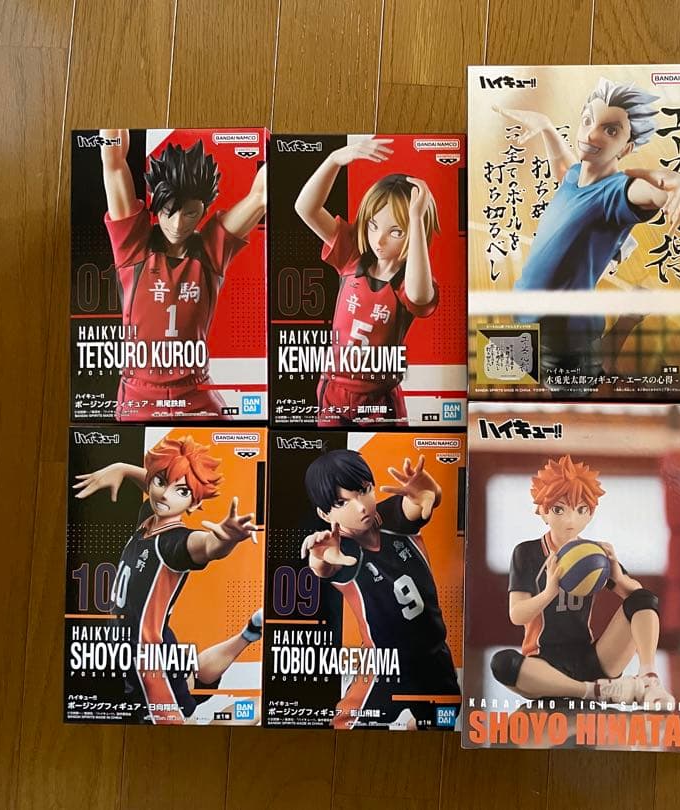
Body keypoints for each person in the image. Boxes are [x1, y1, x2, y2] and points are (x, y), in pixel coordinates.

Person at [494, 78, 680, 385]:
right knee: (521, 379)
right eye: (587, 121)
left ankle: (627, 321)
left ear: (627, 147)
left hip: (564, 332)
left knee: (577, 391)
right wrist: (546, 127)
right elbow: (564, 168)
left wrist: (672, 183)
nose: (591, 133)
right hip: (526, 310)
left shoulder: (618, 191)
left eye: (610, 130)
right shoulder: (575, 175)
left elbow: (652, 194)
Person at [73, 435, 263, 724]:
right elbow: (158, 489)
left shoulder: (174, 543)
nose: (165, 496)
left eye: (182, 491)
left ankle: (264, 706)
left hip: (151, 659)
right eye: (161, 482)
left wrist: (226, 540)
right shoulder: (148, 518)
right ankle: (249, 633)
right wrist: (123, 468)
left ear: (194, 503)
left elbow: (206, 546)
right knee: (191, 681)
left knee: (185, 725)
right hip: (149, 643)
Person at [98, 129, 267, 420]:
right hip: (139, 396)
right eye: (168, 211)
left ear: (204, 210)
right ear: (156, 203)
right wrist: (107, 115)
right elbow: (112, 161)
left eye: (189, 214)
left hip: (196, 395)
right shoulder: (133, 246)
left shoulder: (211, 249)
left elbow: (261, 195)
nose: (177, 224)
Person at [490, 455, 674, 708]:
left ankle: (649, 679)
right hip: (544, 663)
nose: (570, 520)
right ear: (542, 511)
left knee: (644, 598)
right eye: (559, 509)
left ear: (591, 514)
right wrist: (548, 593)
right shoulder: (527, 553)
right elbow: (517, 615)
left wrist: (618, 577)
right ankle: (593, 691)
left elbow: (641, 601)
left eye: (580, 510)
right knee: (503, 664)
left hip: (592, 659)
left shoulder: (593, 554)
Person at [300, 451, 459, 730]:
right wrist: (319, 558)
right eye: (342, 502)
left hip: (434, 655)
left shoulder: (391, 517)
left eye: (364, 491)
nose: (360, 507)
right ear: (325, 514)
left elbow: (418, 504)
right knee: (346, 730)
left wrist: (432, 492)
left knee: (441, 722)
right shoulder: (341, 549)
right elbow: (325, 566)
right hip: (384, 665)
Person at [295, 140, 440, 425]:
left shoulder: (409, 280)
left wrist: (415, 218)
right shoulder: (352, 256)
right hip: (333, 390)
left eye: (396, 231)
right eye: (373, 226)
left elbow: (420, 296)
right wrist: (334, 159)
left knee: (385, 449)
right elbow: (305, 208)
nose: (379, 240)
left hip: (379, 399)